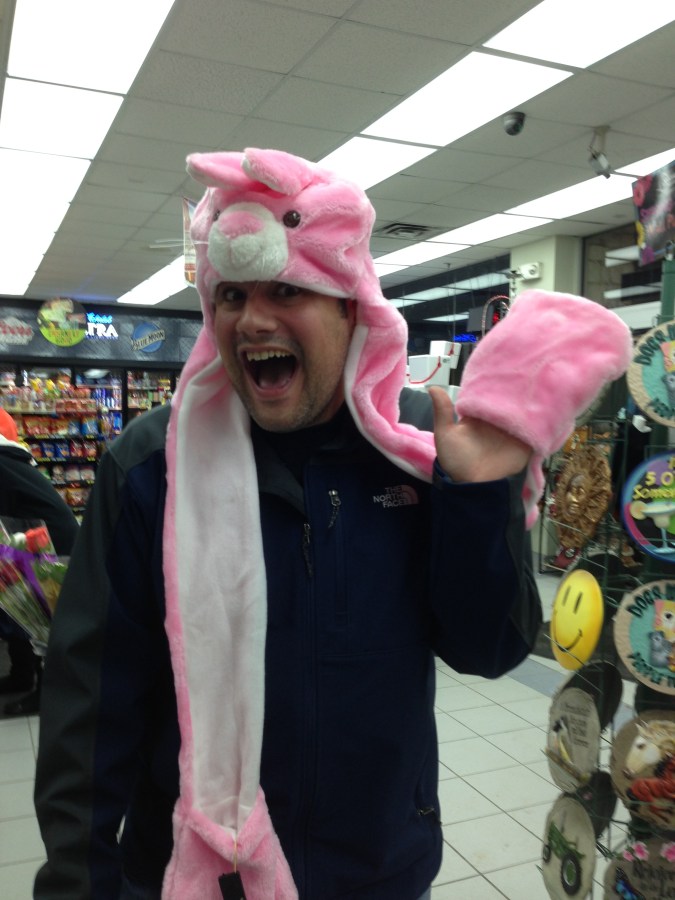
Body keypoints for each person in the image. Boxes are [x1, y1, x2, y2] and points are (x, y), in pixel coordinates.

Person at [33, 148, 632, 900]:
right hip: (201, 872)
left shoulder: (422, 448)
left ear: (352, 309)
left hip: (377, 867)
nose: (253, 319)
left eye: (287, 289)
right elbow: (91, 702)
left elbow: (489, 648)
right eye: (231, 295)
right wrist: (79, 883)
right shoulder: (152, 466)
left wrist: (476, 496)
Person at [0, 407, 79, 716]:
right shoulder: (12, 459)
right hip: (35, 536)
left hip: (50, 542)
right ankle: (22, 676)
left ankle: (47, 696)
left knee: (44, 621)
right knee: (21, 608)